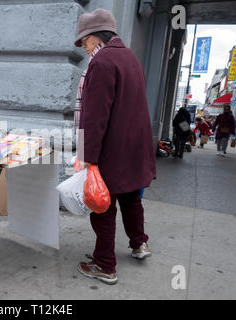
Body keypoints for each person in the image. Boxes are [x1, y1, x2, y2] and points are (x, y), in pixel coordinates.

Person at [74, 9, 156, 285]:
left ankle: (104, 264)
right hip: (135, 148)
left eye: (83, 41)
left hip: (113, 149)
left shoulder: (103, 62)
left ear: (95, 37)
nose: (83, 48)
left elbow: (95, 116)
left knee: (102, 207)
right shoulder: (130, 58)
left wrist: (87, 156)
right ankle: (139, 244)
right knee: (132, 200)